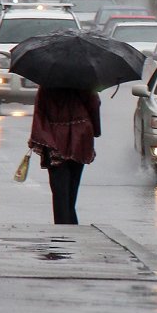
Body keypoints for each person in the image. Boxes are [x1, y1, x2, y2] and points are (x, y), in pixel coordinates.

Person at [28, 86, 101, 225]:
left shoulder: (47, 85)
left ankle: (64, 229)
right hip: (80, 138)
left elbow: (39, 113)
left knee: (60, 192)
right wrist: (95, 130)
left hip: (55, 139)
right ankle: (71, 226)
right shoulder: (83, 82)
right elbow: (94, 105)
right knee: (71, 191)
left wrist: (38, 138)